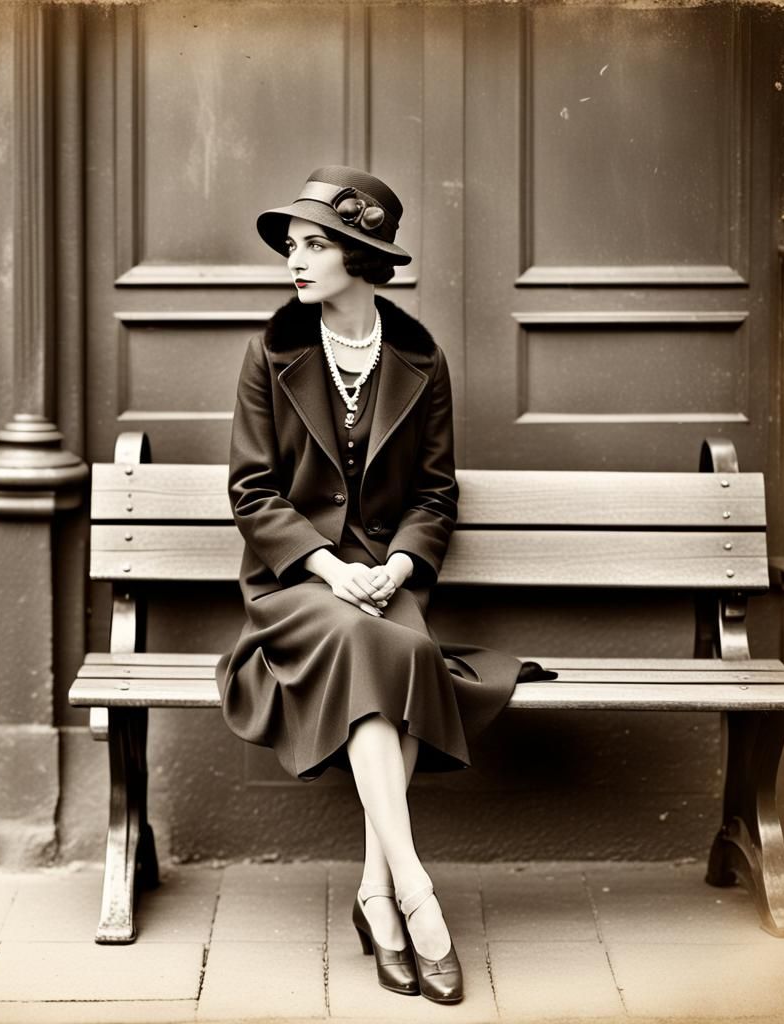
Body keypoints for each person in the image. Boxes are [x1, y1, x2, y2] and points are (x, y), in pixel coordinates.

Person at [215, 166, 551, 1005]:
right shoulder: (272, 352)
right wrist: (328, 567)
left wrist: (399, 565)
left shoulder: (418, 356)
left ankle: (375, 893)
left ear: (360, 256)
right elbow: (252, 490)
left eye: (315, 244)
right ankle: (416, 891)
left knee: (396, 645)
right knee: (385, 648)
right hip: (297, 585)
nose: (296, 260)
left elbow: (437, 493)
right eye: (292, 246)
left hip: (385, 573)